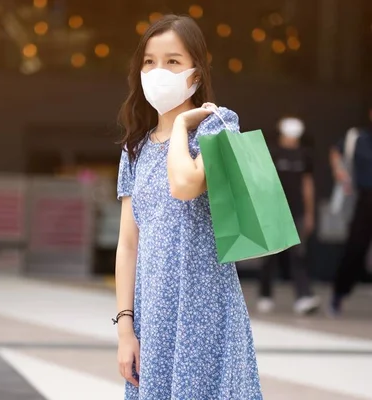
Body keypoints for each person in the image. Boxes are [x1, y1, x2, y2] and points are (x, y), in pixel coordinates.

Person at [114, 14, 262, 400]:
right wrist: (125, 331)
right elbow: (128, 245)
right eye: (150, 61)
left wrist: (180, 127)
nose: (158, 71)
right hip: (154, 317)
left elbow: (185, 184)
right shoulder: (136, 150)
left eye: (173, 61)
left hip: (206, 311)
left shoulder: (216, 127)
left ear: (196, 73)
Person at [257, 116, 320, 315]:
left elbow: (307, 185)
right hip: (273, 211)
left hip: (297, 212)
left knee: (298, 256)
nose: (293, 140)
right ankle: (265, 295)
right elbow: (263, 183)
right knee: (269, 256)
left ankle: (303, 297)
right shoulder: (272, 153)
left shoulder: (304, 155)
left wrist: (309, 214)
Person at [329, 105, 372, 316]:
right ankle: (338, 295)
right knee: (354, 251)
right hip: (364, 199)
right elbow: (336, 152)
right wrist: (339, 172)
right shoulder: (359, 138)